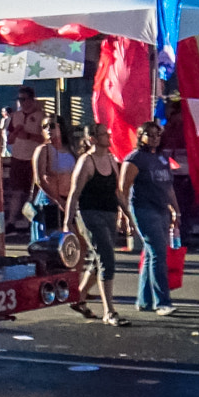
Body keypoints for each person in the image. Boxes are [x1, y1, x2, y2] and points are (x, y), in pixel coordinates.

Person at [63, 122, 125, 325]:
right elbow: (74, 193)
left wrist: (128, 216)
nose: (108, 136)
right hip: (90, 215)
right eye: (103, 134)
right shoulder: (86, 162)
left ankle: (79, 297)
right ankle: (109, 311)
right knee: (106, 258)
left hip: (109, 214)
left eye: (107, 133)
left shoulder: (110, 158)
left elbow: (118, 192)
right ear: (93, 139)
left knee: (98, 259)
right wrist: (68, 222)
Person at [118, 120, 181, 315]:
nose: (154, 139)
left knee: (150, 254)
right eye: (149, 134)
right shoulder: (135, 159)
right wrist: (124, 215)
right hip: (144, 209)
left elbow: (168, 187)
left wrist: (176, 211)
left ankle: (144, 300)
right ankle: (162, 301)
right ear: (141, 136)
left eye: (157, 135)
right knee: (157, 254)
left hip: (162, 209)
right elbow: (123, 188)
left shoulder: (162, 158)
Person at [1, 87, 48, 232]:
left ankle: (30, 220)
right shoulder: (16, 116)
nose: (22, 102)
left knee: (33, 191)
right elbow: (9, 139)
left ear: (31, 99)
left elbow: (45, 139)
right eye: (19, 99)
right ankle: (12, 220)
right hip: (18, 157)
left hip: (34, 158)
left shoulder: (41, 116)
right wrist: (17, 131)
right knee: (17, 190)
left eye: (24, 99)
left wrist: (28, 135)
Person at [29, 119, 75, 243]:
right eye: (45, 126)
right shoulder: (43, 149)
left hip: (68, 199)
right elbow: (40, 178)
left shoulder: (70, 149)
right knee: (52, 240)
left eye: (52, 126)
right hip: (49, 201)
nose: (49, 129)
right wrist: (58, 200)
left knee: (71, 239)